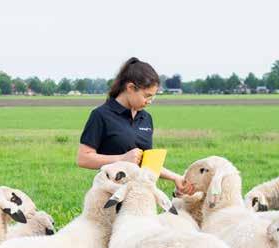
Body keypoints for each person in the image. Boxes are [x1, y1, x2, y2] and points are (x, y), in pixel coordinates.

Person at [77, 57, 193, 194]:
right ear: (130, 88)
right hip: (109, 194)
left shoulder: (146, 118)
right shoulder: (101, 115)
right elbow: (83, 158)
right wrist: (121, 159)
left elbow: (146, 163)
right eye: (147, 96)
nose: (150, 101)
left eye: (153, 97)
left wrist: (175, 177)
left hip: (140, 195)